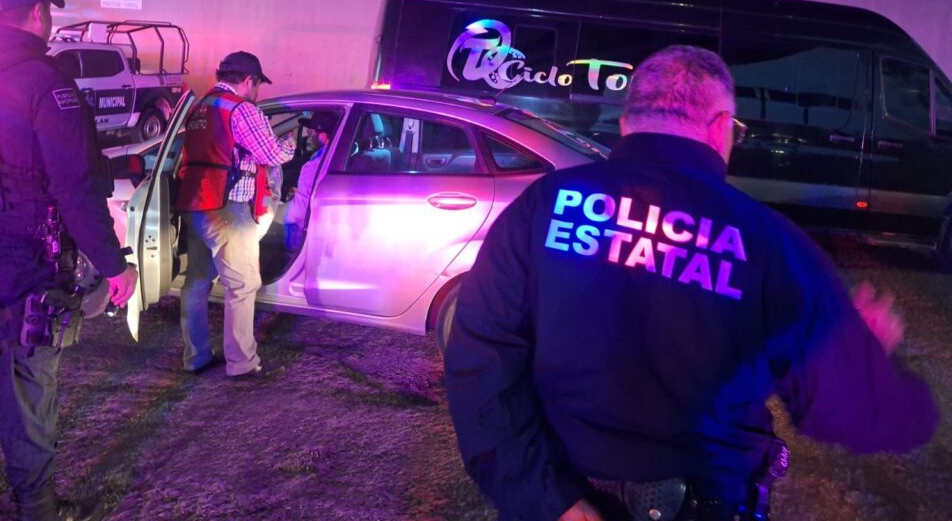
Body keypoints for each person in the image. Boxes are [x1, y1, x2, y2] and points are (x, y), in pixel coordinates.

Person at [444, 45, 938, 521]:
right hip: (707, 502)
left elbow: (480, 354)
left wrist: (546, 499)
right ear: (721, 128)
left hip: (563, 493)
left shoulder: (541, 206)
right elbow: (865, 416)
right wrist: (865, 358)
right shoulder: (773, 243)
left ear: (626, 123)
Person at [0, 0, 138, 521]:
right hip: (25, 260)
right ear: (40, 13)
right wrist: (114, 265)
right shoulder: (47, 83)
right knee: (26, 385)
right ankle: (37, 510)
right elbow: (75, 187)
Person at [175, 51, 295, 380]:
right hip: (228, 209)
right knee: (242, 285)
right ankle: (242, 363)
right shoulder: (241, 109)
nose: (257, 92)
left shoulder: (200, 106)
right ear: (248, 81)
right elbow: (271, 154)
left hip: (196, 203)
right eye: (257, 85)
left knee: (197, 283)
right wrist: (291, 143)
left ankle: (195, 357)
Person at [283, 111, 338, 251]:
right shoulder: (334, 156)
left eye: (311, 132)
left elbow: (300, 210)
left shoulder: (314, 165)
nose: (308, 136)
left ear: (323, 136)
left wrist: (281, 211)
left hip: (304, 231)